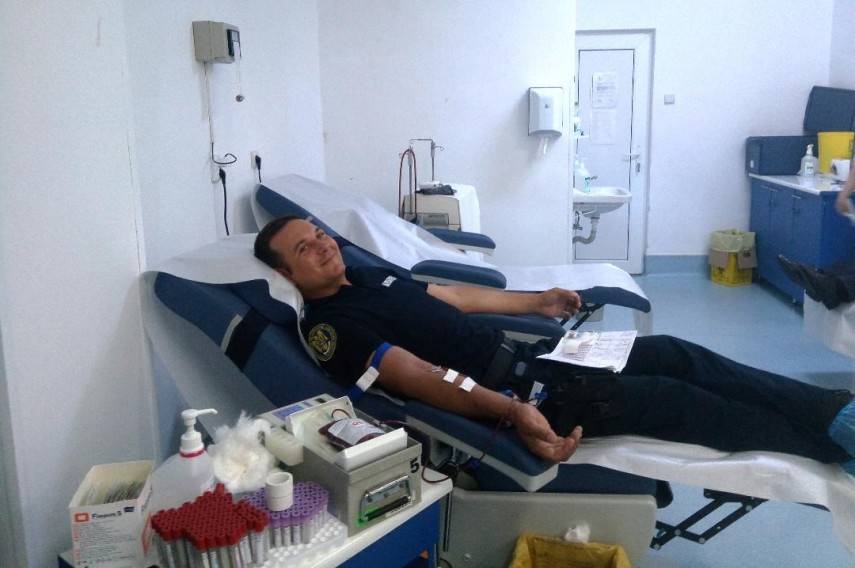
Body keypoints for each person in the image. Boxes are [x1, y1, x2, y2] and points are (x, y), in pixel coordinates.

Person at [254, 216, 855, 472]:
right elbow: (417, 376)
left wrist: (536, 302)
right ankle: (829, 448)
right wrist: (510, 407)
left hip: (537, 362)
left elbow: (454, 298)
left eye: (320, 234)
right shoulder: (331, 328)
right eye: (305, 248)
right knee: (678, 399)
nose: (324, 245)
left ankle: (831, 412)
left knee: (676, 352)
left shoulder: (367, 277)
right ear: (285, 274)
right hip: (528, 397)